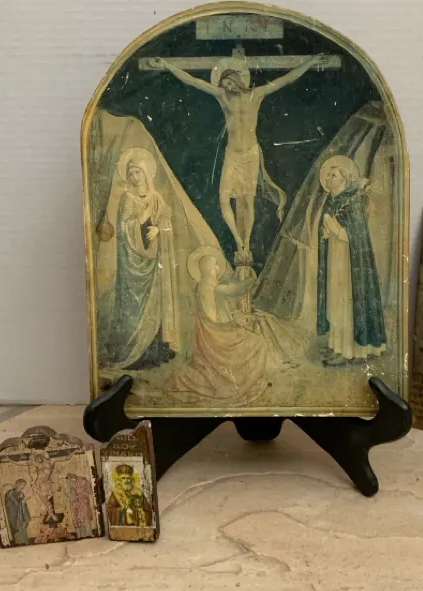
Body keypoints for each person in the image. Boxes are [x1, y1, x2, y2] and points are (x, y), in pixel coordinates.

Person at [159, 52, 329, 262]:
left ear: (238, 79)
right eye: (225, 84)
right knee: (223, 199)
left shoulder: (256, 95)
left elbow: (286, 79)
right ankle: (238, 239)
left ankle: (246, 243)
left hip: (250, 155)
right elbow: (193, 81)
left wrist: (311, 62)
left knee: (248, 201)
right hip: (233, 154)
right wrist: (168, 65)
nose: (229, 87)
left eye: (230, 82)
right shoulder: (222, 96)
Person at [166, 246, 285, 405]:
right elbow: (237, 290)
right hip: (219, 336)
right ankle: (244, 383)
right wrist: (251, 278)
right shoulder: (215, 288)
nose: (217, 268)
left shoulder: (200, 286)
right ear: (208, 269)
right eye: (215, 265)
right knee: (259, 343)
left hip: (209, 335)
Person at [105, 148, 178, 369]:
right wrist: (140, 220)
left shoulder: (156, 198)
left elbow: (166, 219)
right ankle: (133, 352)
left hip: (154, 265)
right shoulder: (127, 199)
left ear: (146, 173)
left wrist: (158, 229)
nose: (135, 177)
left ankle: (155, 351)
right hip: (132, 265)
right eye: (131, 173)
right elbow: (123, 229)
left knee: (156, 303)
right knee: (134, 308)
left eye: (138, 172)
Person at [316, 156, 386, 363]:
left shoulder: (352, 202)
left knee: (345, 303)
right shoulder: (332, 201)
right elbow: (328, 231)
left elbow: (354, 235)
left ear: (344, 179)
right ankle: (336, 346)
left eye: (333, 175)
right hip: (335, 260)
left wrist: (333, 227)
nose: (328, 178)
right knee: (335, 302)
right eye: (327, 175)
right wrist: (326, 231)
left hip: (349, 264)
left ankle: (349, 351)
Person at [106, 464, 153, 528]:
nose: (126, 481)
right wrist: (124, 512)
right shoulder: (115, 493)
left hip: (138, 528)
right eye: (123, 478)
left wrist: (140, 513)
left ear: (132, 479)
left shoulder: (139, 492)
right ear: (119, 480)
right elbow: (110, 511)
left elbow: (148, 511)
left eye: (128, 478)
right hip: (123, 529)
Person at [66, 472, 97, 539]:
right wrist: (72, 496)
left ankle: (89, 533)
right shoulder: (69, 483)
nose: (70, 481)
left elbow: (89, 491)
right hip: (75, 504)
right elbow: (67, 493)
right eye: (69, 480)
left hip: (83, 502)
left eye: (71, 479)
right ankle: (81, 535)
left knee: (86, 518)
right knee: (78, 519)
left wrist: (82, 495)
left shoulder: (83, 480)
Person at [4, 478, 31, 545]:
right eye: (22, 484)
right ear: (18, 484)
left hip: (21, 515)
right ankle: (19, 543)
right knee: (18, 530)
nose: (23, 487)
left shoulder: (21, 493)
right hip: (15, 516)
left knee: (23, 528)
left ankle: (24, 541)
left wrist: (23, 500)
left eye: (24, 485)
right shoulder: (10, 493)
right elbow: (15, 503)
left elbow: (23, 504)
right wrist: (23, 500)